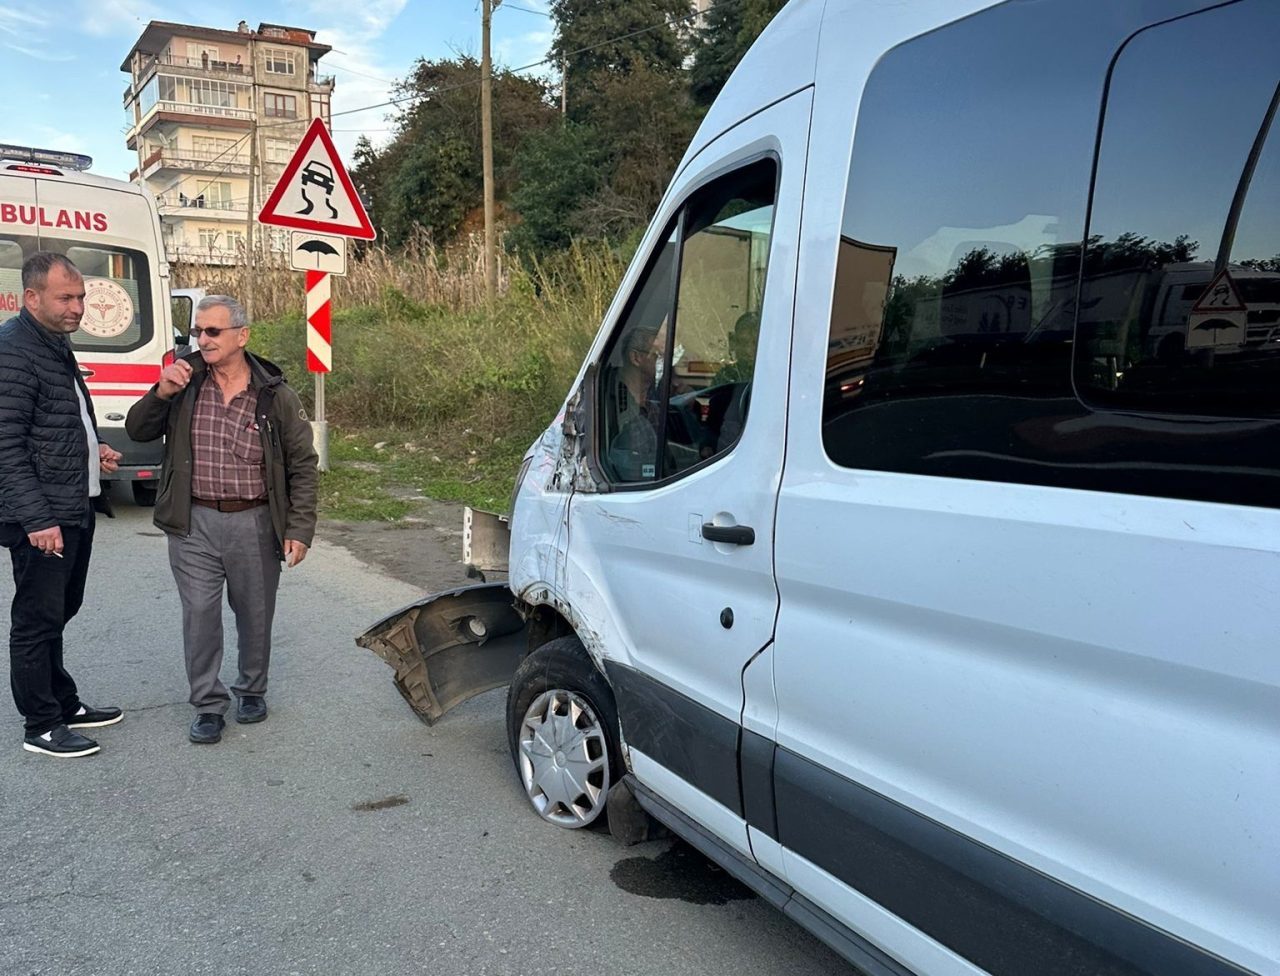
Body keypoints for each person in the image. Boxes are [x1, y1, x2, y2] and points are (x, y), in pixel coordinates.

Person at [125, 295, 318, 744]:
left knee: (255, 612)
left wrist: (299, 528)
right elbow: (138, 430)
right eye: (197, 331)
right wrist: (161, 392)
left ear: (242, 335)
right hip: (193, 522)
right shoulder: (185, 382)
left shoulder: (275, 395)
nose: (203, 340)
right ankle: (208, 704)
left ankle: (251, 689)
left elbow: (303, 465)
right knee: (199, 614)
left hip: (254, 521)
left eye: (213, 331)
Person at [0, 252, 124, 758]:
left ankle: (63, 702)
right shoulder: (13, 350)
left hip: (71, 504)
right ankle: (42, 724)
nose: (78, 307)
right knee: (37, 619)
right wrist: (37, 519)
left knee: (59, 610)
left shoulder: (52, 342)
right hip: (43, 516)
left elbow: (62, 417)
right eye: (65, 298)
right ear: (31, 297)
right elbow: (6, 444)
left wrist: (97, 449)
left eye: (81, 296)